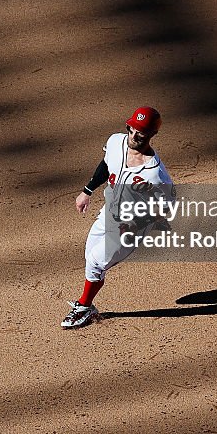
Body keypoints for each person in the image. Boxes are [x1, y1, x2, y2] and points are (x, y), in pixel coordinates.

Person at [62, 106, 173, 329]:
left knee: (95, 262)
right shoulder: (115, 142)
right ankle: (88, 304)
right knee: (90, 257)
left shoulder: (155, 173)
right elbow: (106, 164)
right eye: (133, 129)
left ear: (152, 134)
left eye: (142, 132)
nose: (135, 135)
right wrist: (87, 191)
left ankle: (83, 307)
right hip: (108, 213)